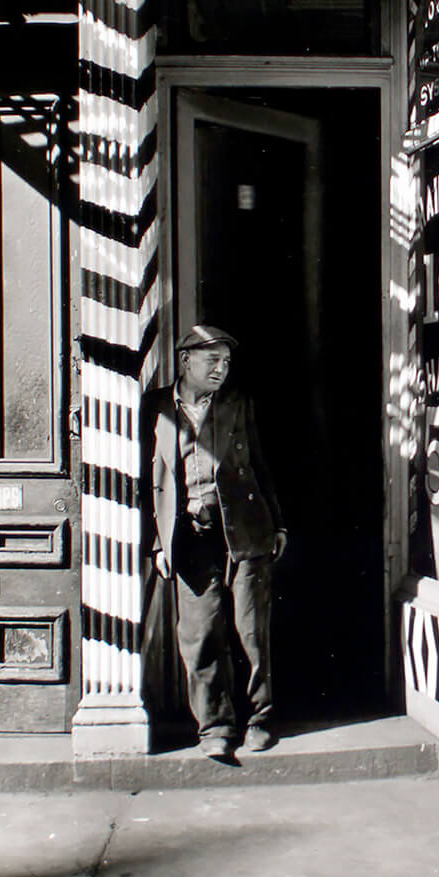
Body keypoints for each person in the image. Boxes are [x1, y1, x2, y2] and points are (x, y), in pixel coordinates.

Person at [148, 325, 288, 759]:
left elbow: (260, 464)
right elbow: (142, 482)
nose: (221, 370)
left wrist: (278, 525)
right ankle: (215, 728)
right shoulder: (154, 408)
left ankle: (259, 720)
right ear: (185, 360)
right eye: (213, 361)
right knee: (199, 635)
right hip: (188, 537)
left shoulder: (237, 403)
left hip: (244, 532)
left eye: (226, 363)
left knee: (251, 632)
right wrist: (156, 544)